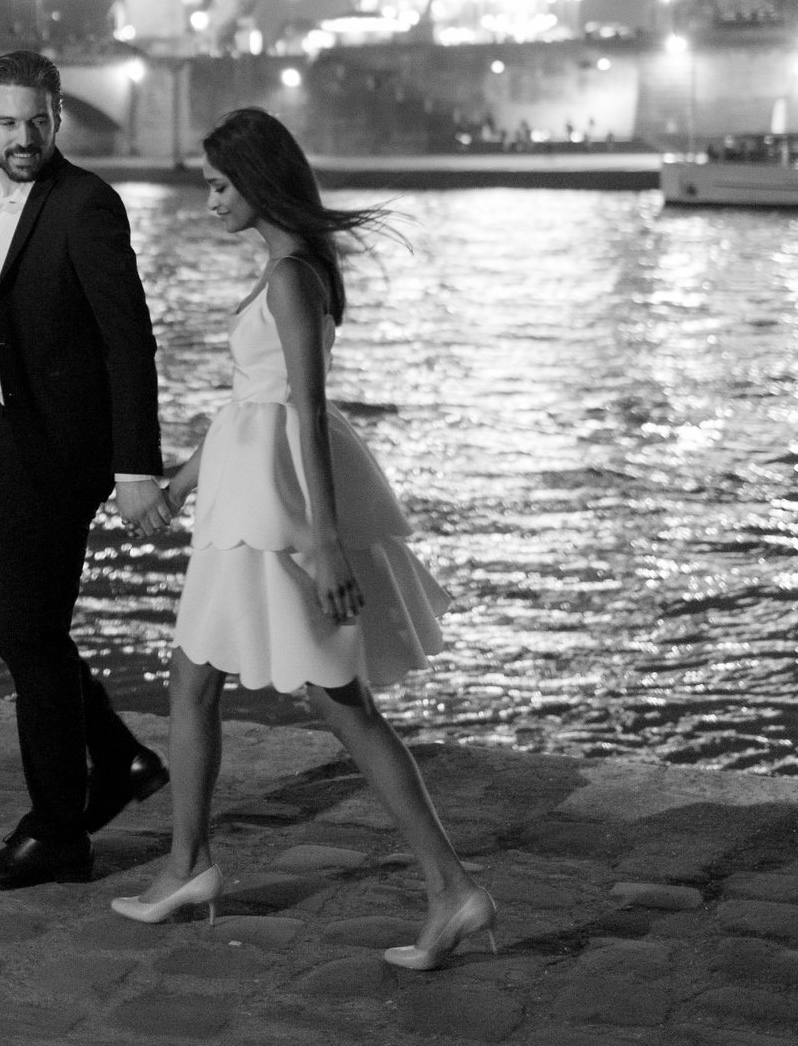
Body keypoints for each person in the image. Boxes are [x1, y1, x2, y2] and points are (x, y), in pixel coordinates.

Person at [110, 106, 496, 972]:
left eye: (217, 185)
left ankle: (445, 885)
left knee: (335, 701)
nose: (207, 200)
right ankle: (189, 864)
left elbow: (305, 414)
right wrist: (176, 484)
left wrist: (324, 543)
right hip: (248, 500)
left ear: (257, 182)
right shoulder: (288, 268)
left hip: (273, 513)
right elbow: (252, 405)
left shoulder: (290, 277)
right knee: (206, 681)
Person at [0, 50, 172, 888]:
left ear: (60, 118)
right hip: (10, 440)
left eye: (40, 121)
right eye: (9, 123)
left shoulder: (87, 205)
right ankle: (118, 758)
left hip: (61, 453)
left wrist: (136, 467)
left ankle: (58, 830)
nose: (25, 137)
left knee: (26, 630)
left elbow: (129, 341)